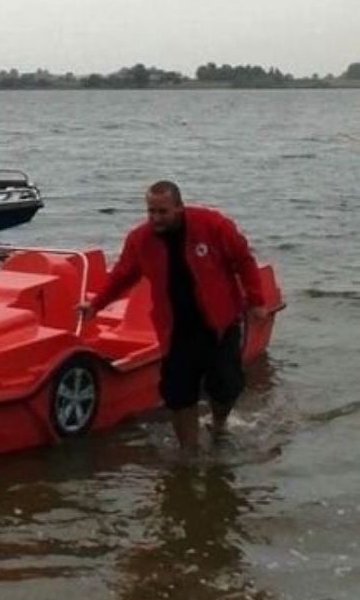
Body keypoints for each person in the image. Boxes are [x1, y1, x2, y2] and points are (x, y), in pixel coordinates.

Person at [76, 181, 269, 452]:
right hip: (176, 328)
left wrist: (257, 301)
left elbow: (244, 261)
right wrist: (95, 305)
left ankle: (219, 423)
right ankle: (189, 450)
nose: (155, 218)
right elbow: (122, 276)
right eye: (151, 211)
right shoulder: (140, 239)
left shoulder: (213, 225)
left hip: (219, 322)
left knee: (227, 385)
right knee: (178, 394)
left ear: (179, 207)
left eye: (162, 212)